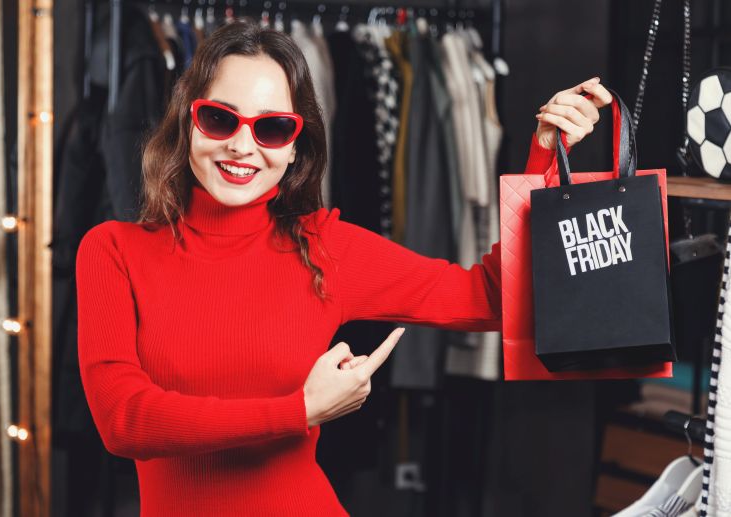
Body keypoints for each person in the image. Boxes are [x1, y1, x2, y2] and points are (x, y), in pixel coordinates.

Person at [76, 20, 612, 517]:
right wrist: (299, 410)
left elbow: (493, 298)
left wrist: (543, 158)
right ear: (187, 121)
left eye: (272, 129)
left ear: (295, 147)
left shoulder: (324, 247)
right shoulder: (114, 251)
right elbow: (123, 421)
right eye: (220, 118)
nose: (242, 146)